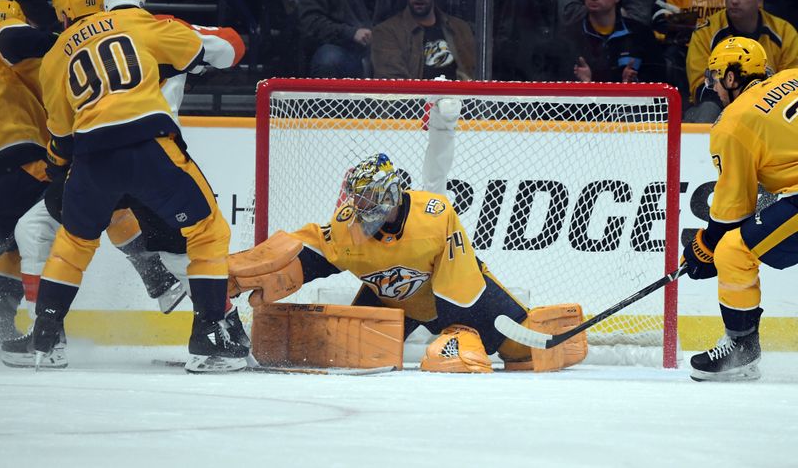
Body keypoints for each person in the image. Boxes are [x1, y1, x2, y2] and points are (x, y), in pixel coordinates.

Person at [8, 0, 248, 373]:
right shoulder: (141, 23)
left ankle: (46, 337)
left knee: (69, 242)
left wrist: (59, 172)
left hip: (92, 158)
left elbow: (62, 135)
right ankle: (213, 334)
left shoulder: (54, 55)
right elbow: (220, 48)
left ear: (64, 12)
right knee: (203, 234)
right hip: (149, 146)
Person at [228, 153, 589, 373]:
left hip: (459, 300)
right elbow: (313, 252)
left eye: (369, 199)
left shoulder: (433, 217)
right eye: (358, 199)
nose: (360, 208)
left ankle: (530, 329)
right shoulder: (347, 226)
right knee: (349, 356)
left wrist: (460, 329)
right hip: (391, 303)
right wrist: (273, 263)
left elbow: (460, 281)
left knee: (522, 353)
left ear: (390, 195)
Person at [681, 36, 798, 382]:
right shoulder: (792, 76)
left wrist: (705, 247)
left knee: (733, 251)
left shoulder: (733, 123)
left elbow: (732, 212)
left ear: (733, 78)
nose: (713, 87)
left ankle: (741, 349)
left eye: (714, 77)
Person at [0, 0, 55, 343]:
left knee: (14, 239)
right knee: (28, 233)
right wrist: (72, 38)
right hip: (19, 158)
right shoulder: (14, 42)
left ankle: (1, 316)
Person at [685, 0, 798, 122]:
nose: (734, 0)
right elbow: (700, 87)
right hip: (718, 106)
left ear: (760, 0)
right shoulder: (705, 32)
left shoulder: (785, 33)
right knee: (707, 109)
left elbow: (792, 84)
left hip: (768, 107)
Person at [652, 0, 748, 98]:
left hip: (730, 50)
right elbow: (660, 23)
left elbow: (751, 16)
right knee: (667, 57)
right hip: (686, 50)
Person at [371, 0, 475, 80]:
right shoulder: (386, 32)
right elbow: (395, 86)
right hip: (416, 98)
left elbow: (475, 75)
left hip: (458, 97)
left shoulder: (460, 28)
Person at [558, 0, 663, 83]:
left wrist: (634, 84)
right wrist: (585, 84)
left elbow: (659, 83)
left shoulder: (641, 35)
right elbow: (557, 87)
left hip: (630, 100)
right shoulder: (569, 36)